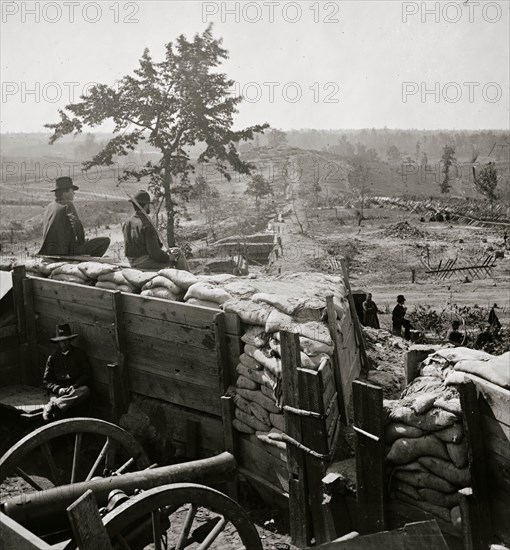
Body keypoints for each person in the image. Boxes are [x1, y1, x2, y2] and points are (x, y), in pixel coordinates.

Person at [38, 177, 110, 257]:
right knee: (105, 241)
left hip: (49, 250)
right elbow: (77, 225)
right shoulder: (68, 204)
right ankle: (90, 262)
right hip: (66, 251)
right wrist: (82, 242)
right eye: (72, 191)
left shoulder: (50, 206)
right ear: (65, 192)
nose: (74, 193)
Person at [123, 190, 189, 271]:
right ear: (146, 205)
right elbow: (155, 254)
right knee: (178, 255)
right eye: (149, 204)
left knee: (175, 251)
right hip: (144, 263)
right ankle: (189, 280)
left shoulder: (127, 222)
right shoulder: (147, 224)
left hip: (131, 261)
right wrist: (169, 258)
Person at [42, 324, 91, 422]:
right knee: (54, 401)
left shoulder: (79, 354)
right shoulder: (53, 358)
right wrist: (58, 389)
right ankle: (56, 405)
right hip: (59, 392)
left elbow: (87, 374)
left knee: (85, 390)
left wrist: (75, 385)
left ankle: (54, 405)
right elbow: (46, 381)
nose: (64, 344)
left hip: (75, 390)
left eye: (66, 340)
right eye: (61, 341)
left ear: (70, 340)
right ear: (58, 343)